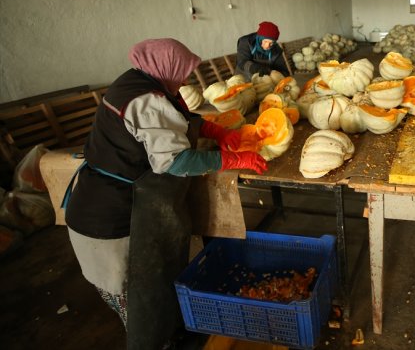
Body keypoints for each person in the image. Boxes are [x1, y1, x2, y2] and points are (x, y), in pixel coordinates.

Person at [64, 38, 268, 349]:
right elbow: (176, 161)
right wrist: (233, 159)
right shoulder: (146, 100)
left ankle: (169, 333)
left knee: (155, 288)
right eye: (182, 72)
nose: (185, 80)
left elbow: (176, 120)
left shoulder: (136, 80)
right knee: (139, 299)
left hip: (103, 202)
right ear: (165, 68)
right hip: (114, 219)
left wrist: (215, 130)